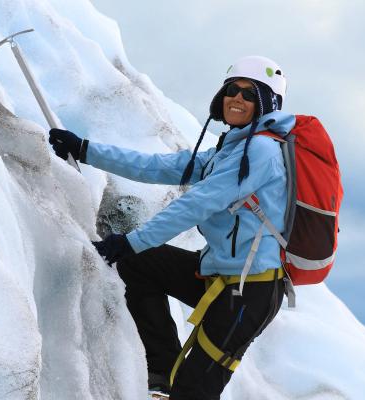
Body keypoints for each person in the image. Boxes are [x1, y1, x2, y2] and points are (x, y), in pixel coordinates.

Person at [49, 56, 294, 400]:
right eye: (231, 90)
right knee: (139, 265)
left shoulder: (259, 152)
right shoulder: (229, 149)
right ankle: (162, 371)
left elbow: (196, 203)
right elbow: (157, 166)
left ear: (266, 104)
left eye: (249, 94)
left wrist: (133, 240)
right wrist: (86, 150)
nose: (237, 98)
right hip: (218, 276)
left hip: (247, 295)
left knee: (194, 392)